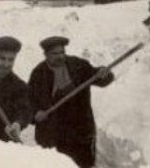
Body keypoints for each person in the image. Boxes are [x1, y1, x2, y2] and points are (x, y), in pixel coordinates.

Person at [28, 36, 114, 168]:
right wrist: (36, 114)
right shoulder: (38, 74)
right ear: (45, 55)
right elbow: (29, 102)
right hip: (53, 134)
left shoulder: (78, 65)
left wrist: (104, 74)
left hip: (81, 131)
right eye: (55, 54)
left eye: (62, 52)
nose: (60, 56)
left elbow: (100, 80)